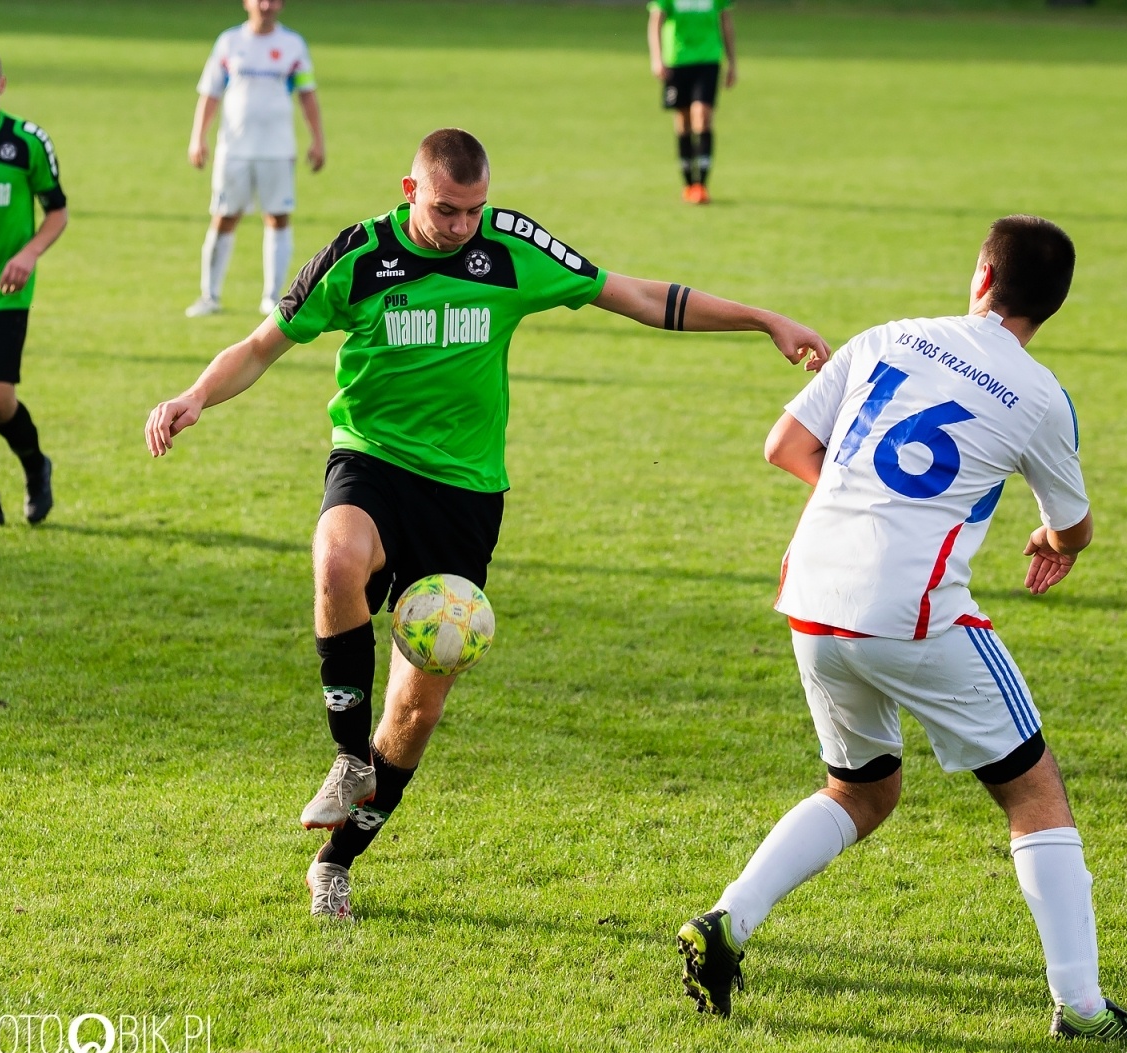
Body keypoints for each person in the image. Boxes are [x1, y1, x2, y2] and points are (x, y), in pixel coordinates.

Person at [145, 128, 829, 921]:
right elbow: (264, 345)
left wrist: (762, 320)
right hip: (374, 460)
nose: (463, 224)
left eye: (474, 209)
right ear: (409, 191)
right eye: (445, 209)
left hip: (467, 495)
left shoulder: (509, 249)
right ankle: (345, 759)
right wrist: (196, 394)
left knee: (416, 711)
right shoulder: (358, 257)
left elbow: (635, 295)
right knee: (337, 560)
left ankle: (336, 861)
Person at [676, 216, 1127, 1040]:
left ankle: (727, 920)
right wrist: (1053, 542)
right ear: (1055, 304)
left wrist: (860, 501)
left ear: (981, 274)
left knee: (861, 790)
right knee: (1033, 788)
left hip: (813, 593)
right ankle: (1082, 1010)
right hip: (913, 609)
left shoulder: (888, 336)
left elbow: (785, 445)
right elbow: (1074, 525)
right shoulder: (1041, 395)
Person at [0, 45, 65, 527]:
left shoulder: (26, 141)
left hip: (3, 293)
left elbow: (57, 213)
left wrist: (28, 253)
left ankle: (34, 466)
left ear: (2, 84)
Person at [185, 0, 324, 318]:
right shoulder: (229, 42)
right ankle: (209, 295)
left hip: (277, 149)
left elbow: (307, 94)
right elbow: (210, 94)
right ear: (247, 3)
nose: (266, 5)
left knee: (277, 217)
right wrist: (198, 138)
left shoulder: (292, 45)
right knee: (224, 216)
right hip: (233, 149)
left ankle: (273, 297)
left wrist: (317, 140)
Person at [647, 0, 735, 205]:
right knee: (683, 121)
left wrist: (732, 62)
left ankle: (701, 185)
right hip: (677, 59)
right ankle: (688, 183)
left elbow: (726, 22)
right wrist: (656, 58)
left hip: (708, 59)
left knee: (702, 116)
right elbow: (655, 21)